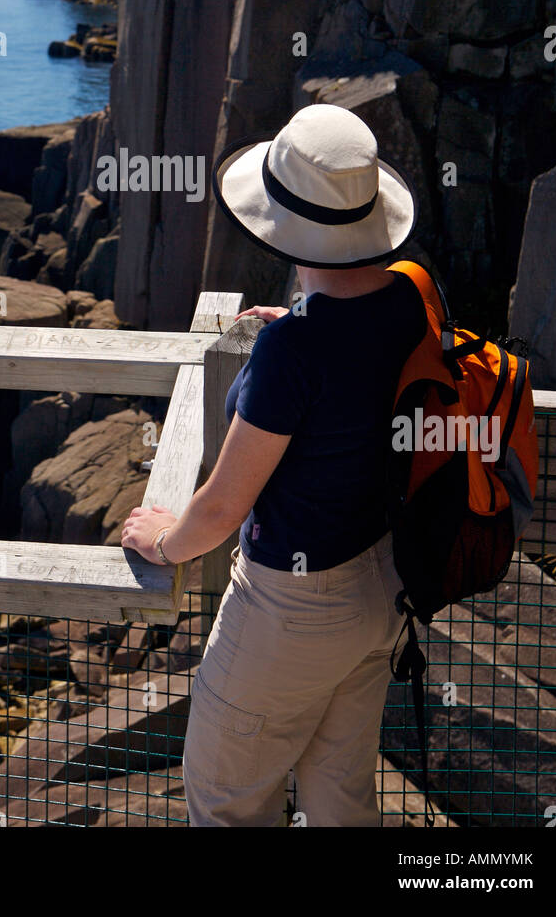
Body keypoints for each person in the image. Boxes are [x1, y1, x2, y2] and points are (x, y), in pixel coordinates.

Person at [120, 102, 427, 827]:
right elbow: (352, 367)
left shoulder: (293, 354)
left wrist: (161, 539)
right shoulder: (411, 300)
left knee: (229, 805)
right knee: (341, 800)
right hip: (381, 589)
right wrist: (294, 323)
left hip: (292, 611)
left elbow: (222, 510)